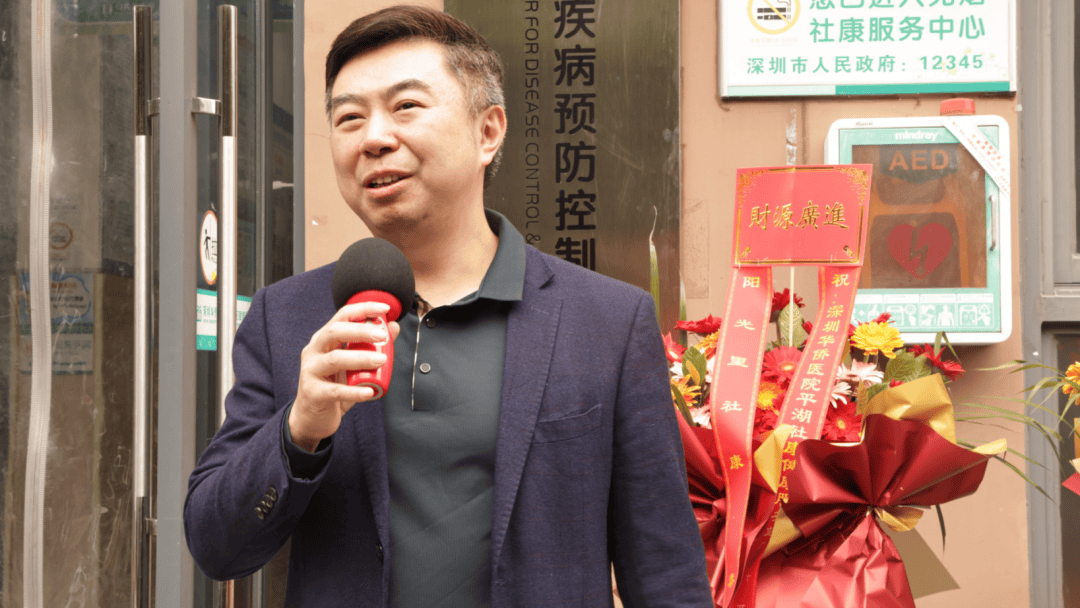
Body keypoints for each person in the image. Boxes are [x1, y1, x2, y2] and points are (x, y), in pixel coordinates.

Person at [183, 6, 712, 607]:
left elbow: (666, 573)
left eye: (406, 106)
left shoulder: (607, 322)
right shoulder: (287, 318)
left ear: (488, 132)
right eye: (349, 117)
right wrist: (300, 427)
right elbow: (216, 545)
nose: (374, 138)